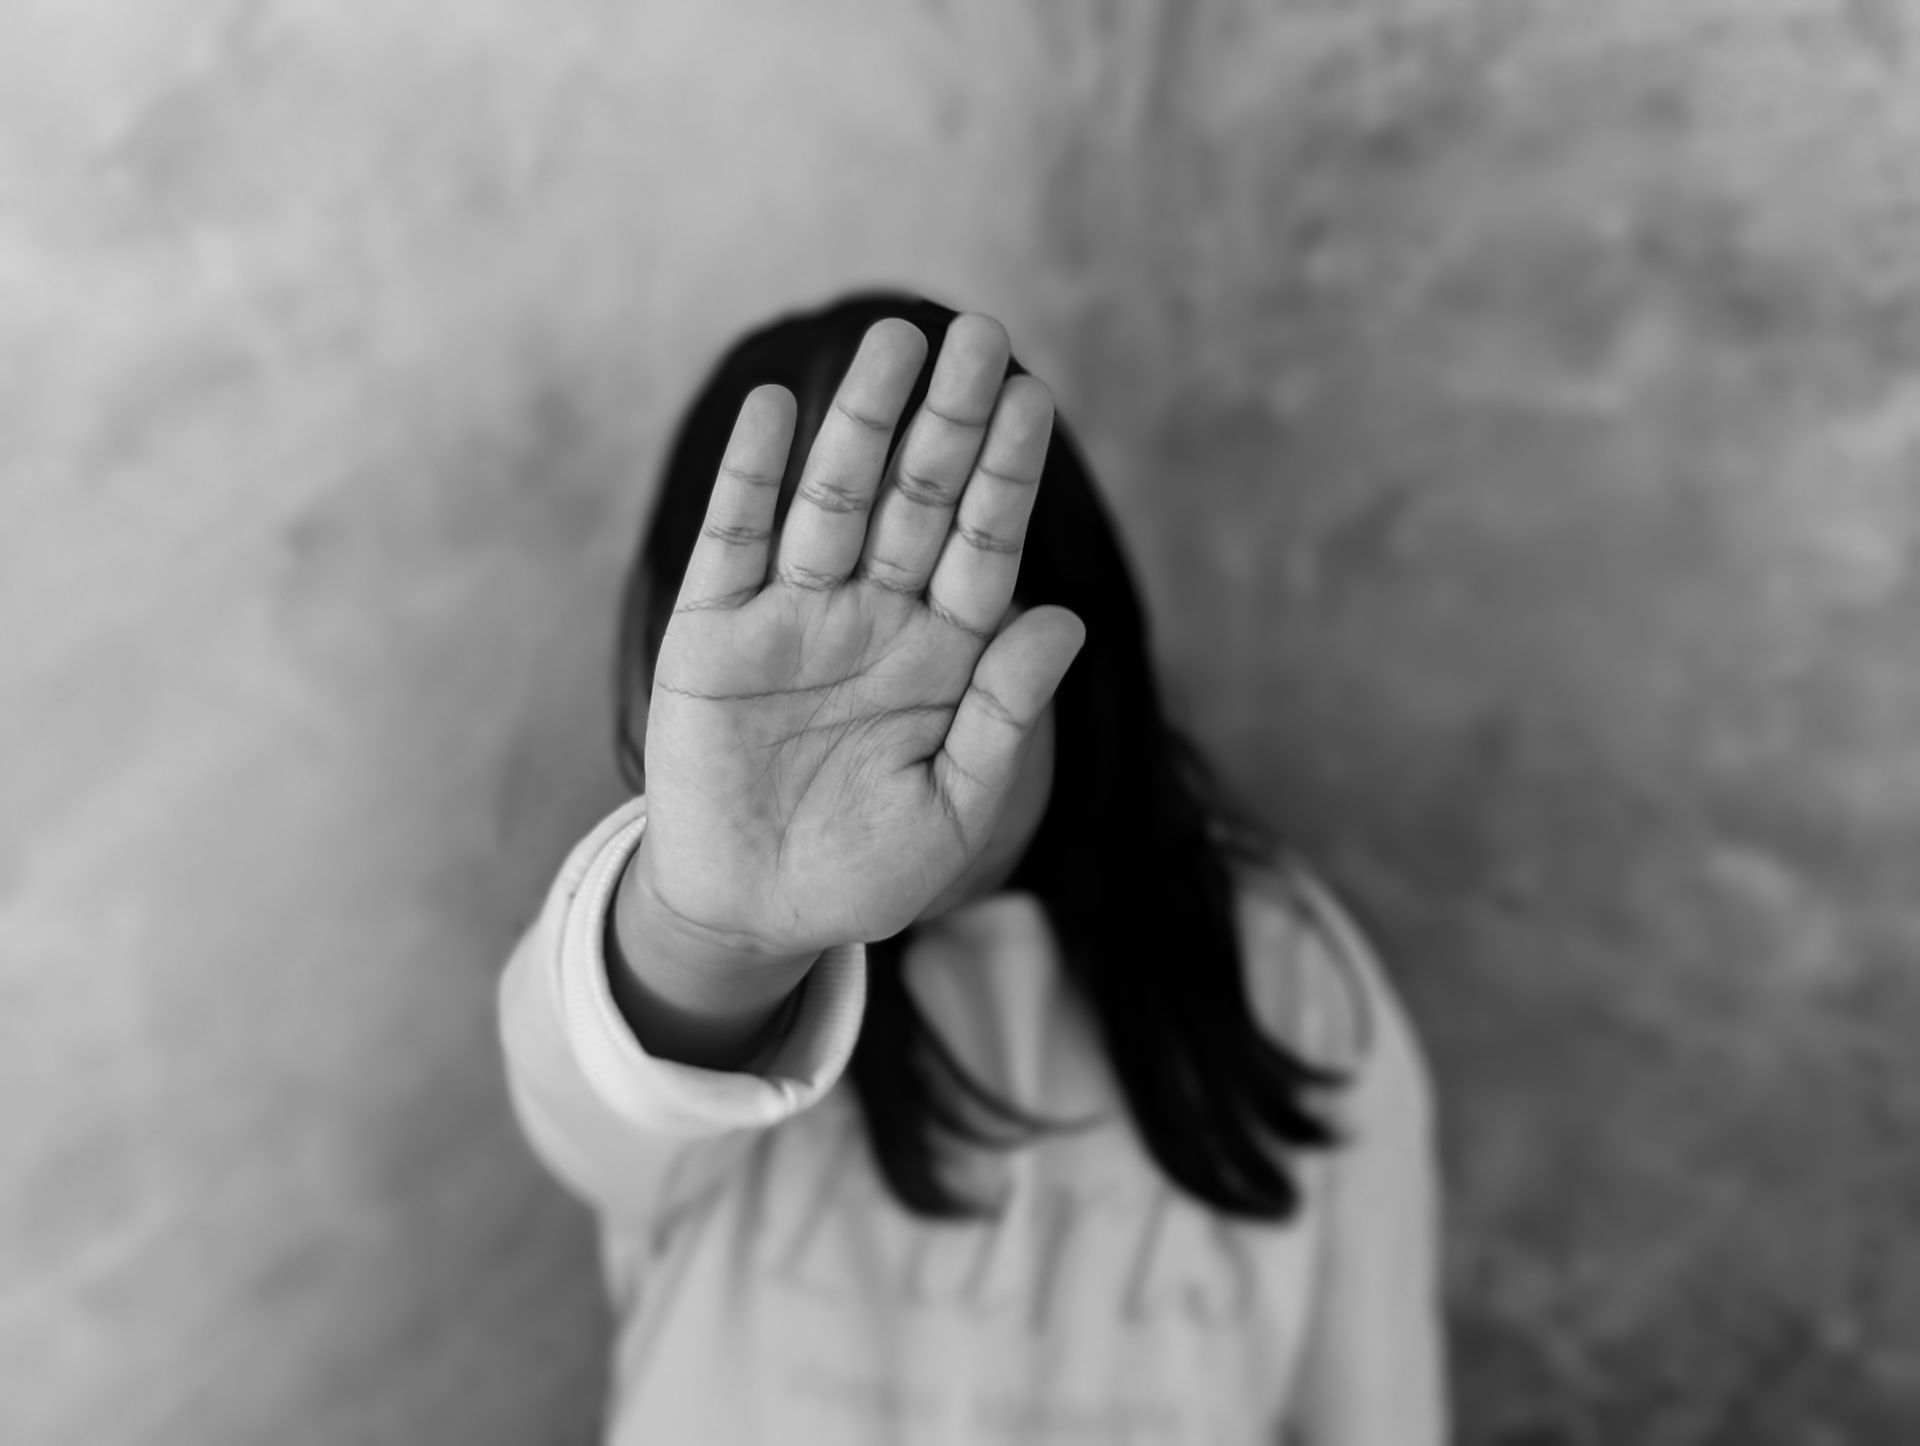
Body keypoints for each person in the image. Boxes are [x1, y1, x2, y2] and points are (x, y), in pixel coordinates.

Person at [498, 291, 1448, 1443]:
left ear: (1071, 640)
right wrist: (723, 933)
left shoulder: (1293, 982)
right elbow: (591, 1088)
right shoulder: (666, 985)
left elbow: (1378, 1408)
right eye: (791, 634)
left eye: (927, 623)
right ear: (670, 670)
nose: (856, 729)